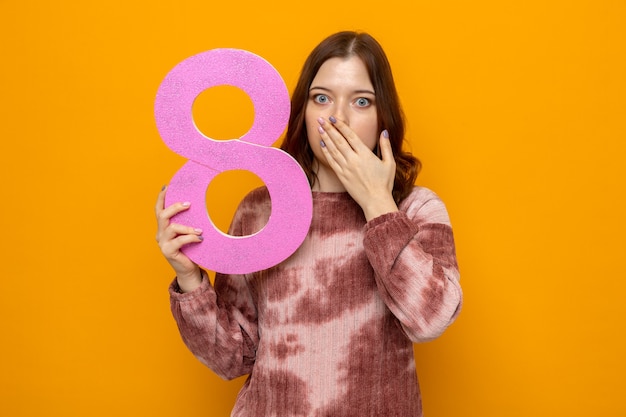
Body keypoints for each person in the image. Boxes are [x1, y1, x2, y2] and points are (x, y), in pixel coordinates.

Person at [155, 31, 462, 417]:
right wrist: (189, 279)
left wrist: (378, 206)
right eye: (322, 98)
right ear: (303, 110)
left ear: (383, 115)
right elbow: (233, 357)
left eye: (361, 101)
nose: (339, 117)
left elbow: (430, 320)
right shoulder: (258, 210)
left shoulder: (417, 210)